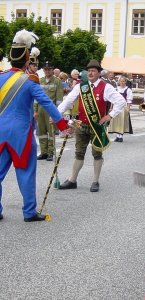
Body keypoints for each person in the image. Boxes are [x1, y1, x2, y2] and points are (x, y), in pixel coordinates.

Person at [0, 30, 70, 222]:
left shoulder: (0, 77)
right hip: (21, 136)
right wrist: (62, 124)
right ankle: (29, 212)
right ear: (26, 60)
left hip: (0, 133)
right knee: (26, 173)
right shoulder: (30, 81)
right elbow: (47, 103)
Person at [57, 59, 126, 192]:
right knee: (79, 153)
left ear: (99, 73)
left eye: (93, 71)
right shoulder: (80, 86)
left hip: (97, 127)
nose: (90, 73)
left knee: (97, 154)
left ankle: (95, 181)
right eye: (89, 71)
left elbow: (121, 102)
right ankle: (72, 180)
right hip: (82, 125)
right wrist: (56, 114)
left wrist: (109, 116)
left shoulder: (106, 87)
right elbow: (68, 101)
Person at [36, 61, 64, 161]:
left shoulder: (57, 81)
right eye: (45, 69)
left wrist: (56, 114)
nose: (47, 71)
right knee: (41, 132)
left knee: (51, 132)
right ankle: (43, 152)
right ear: (43, 70)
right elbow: (36, 97)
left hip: (51, 110)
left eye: (49, 69)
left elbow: (59, 99)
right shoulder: (40, 80)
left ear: (52, 70)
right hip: (40, 109)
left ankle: (50, 153)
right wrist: (35, 110)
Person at [108, 76, 133, 142]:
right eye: (121, 81)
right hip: (116, 106)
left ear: (125, 82)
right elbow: (113, 99)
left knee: (122, 121)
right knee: (116, 121)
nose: (122, 82)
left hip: (123, 107)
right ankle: (117, 136)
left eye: (123, 81)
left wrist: (128, 108)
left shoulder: (128, 90)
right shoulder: (116, 89)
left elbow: (129, 100)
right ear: (119, 82)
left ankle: (120, 136)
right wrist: (111, 107)